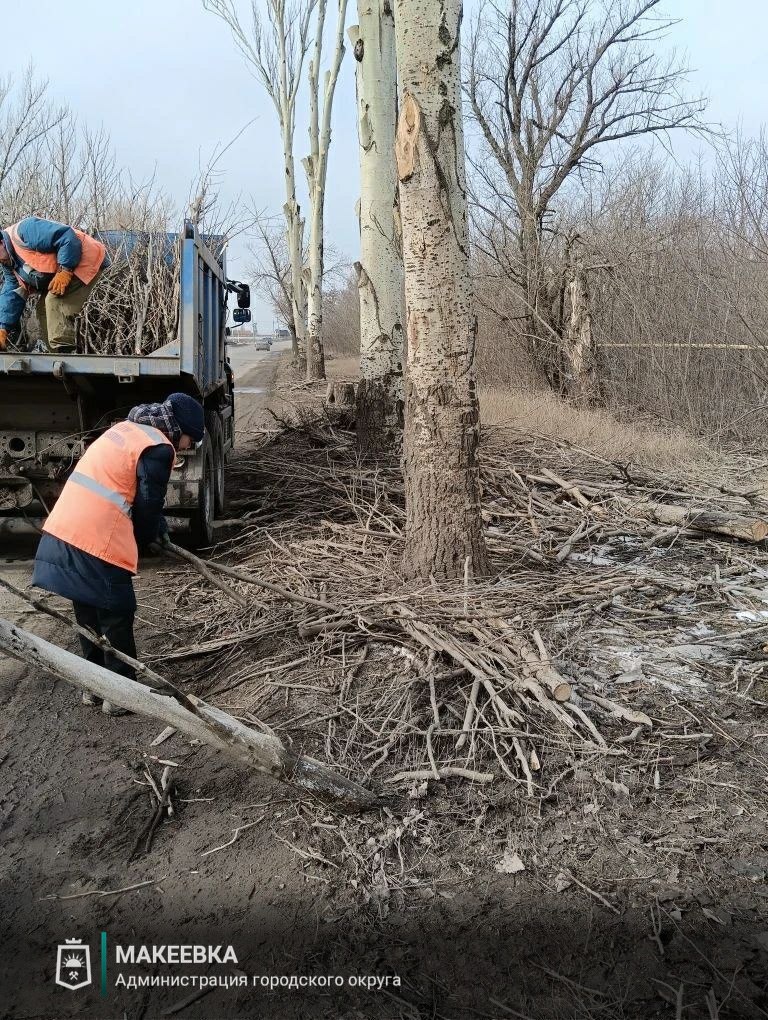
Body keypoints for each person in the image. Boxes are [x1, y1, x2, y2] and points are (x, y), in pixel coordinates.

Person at [32, 393, 205, 715]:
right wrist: (147, 539)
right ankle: (123, 694)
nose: (187, 447)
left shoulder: (126, 429)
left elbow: (137, 491)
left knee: (88, 611)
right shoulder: (159, 448)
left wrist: (159, 528)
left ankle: (95, 687)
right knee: (117, 612)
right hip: (97, 536)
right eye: (190, 439)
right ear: (179, 429)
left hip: (64, 528)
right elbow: (148, 503)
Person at [0, 216, 107, 354]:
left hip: (84, 258)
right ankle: (54, 354)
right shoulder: (8, 262)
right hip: (66, 268)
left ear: (1, 242)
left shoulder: (26, 230)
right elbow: (13, 294)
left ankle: (64, 353)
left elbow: (67, 237)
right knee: (42, 308)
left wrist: (65, 271)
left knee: (55, 300)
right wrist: (2, 328)